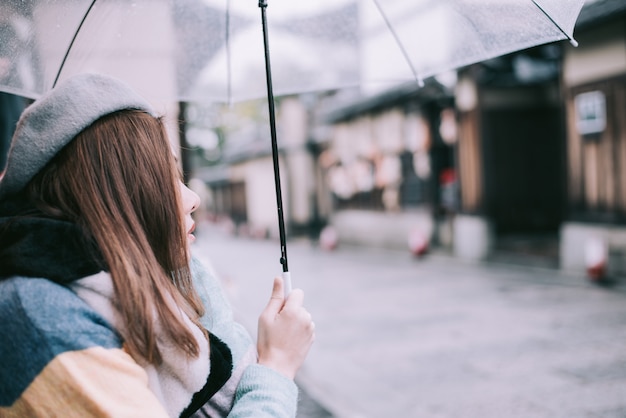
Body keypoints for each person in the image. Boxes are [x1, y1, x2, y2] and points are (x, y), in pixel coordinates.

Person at [0, 73, 315, 417]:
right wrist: (277, 368)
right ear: (111, 194)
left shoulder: (141, 288)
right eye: (165, 177)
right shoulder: (42, 318)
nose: (193, 199)